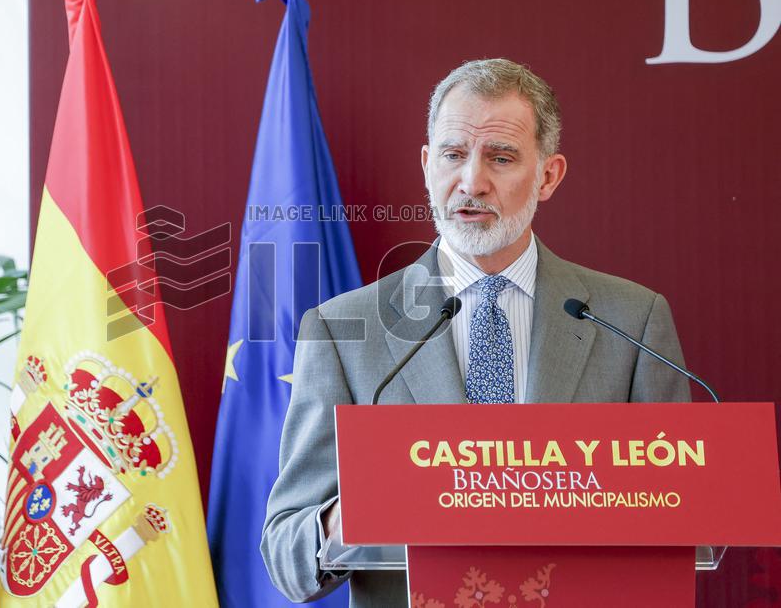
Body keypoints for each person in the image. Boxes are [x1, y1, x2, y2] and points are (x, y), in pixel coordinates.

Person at [260, 59, 690, 607]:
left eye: (501, 157)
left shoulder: (632, 320)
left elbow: (680, 517)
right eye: (453, 155)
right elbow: (285, 555)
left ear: (548, 175)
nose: (471, 182)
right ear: (425, 164)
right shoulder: (344, 331)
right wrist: (348, 520)